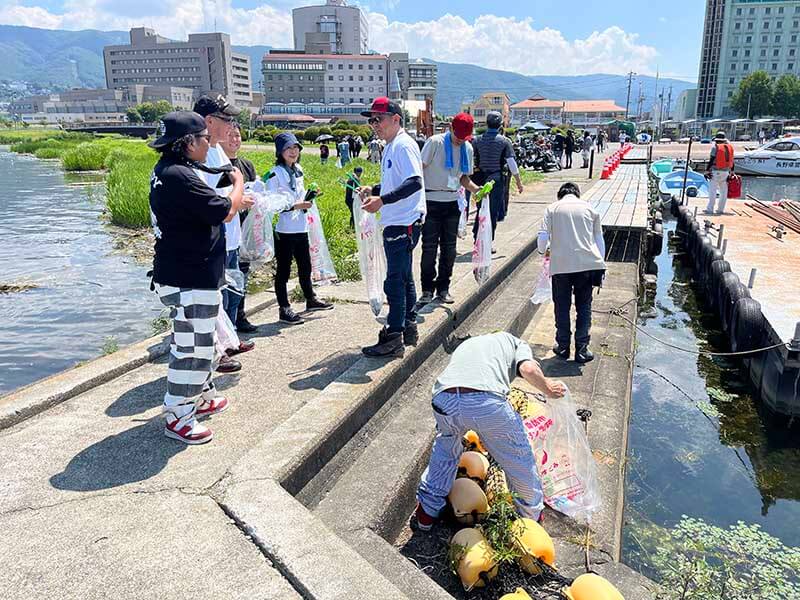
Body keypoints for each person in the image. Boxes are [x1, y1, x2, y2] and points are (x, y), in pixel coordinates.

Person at [148, 111, 254, 444]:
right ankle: (178, 414)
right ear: (189, 142)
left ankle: (201, 395)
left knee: (205, 342)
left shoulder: (169, 171)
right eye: (206, 139)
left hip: (188, 273)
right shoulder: (179, 175)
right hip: (188, 276)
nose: (210, 144)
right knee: (192, 348)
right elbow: (225, 210)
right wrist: (237, 183)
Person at [414, 332, 567, 529]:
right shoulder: (514, 342)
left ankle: (427, 512)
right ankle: (531, 517)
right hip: (485, 401)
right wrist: (548, 389)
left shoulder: (470, 344)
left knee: (446, 451)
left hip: (444, 399)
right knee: (518, 457)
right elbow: (528, 369)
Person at [357, 97, 426, 357]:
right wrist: (374, 190)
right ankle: (408, 325)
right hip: (398, 220)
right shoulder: (391, 146)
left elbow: (414, 183)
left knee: (394, 281)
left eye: (379, 119)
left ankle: (394, 334)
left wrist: (382, 200)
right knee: (405, 276)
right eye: (371, 120)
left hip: (403, 221)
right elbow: (396, 181)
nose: (374, 124)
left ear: (396, 119)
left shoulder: (403, 146)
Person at [192, 95, 252, 371]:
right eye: (227, 120)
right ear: (209, 121)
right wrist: (239, 191)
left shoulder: (215, 150)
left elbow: (225, 196)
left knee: (228, 290)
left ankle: (227, 343)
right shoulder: (199, 155)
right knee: (213, 298)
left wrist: (239, 195)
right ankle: (217, 352)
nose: (231, 127)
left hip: (226, 237)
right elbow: (220, 206)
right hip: (208, 241)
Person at [266, 132, 334, 325]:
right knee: (284, 271)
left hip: (301, 227)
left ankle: (310, 299)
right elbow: (270, 202)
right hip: (285, 230)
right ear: (280, 151)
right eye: (288, 148)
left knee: (306, 267)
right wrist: (295, 206)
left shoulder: (299, 170)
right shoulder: (275, 173)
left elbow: (300, 194)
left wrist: (310, 196)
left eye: (296, 147)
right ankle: (284, 308)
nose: (293, 151)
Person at [539, 182, 606, 364]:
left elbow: (542, 237)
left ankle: (562, 346)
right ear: (577, 194)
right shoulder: (590, 209)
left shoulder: (552, 209)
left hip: (561, 265)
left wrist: (542, 251)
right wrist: (601, 265)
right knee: (584, 306)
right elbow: (599, 239)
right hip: (587, 264)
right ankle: (582, 349)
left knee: (562, 306)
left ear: (559, 195)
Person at [418, 113, 480, 306]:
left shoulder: (467, 148)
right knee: (429, 248)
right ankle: (427, 289)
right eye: (457, 136)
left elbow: (463, 178)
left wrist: (476, 190)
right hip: (431, 201)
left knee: (449, 249)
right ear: (451, 128)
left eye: (464, 137)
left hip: (452, 202)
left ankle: (444, 288)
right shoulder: (434, 143)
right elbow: (420, 168)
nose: (460, 140)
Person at [219, 122, 259, 334]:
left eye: (238, 136)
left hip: (245, 225)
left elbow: (254, 188)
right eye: (231, 136)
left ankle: (239, 316)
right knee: (227, 280)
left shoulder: (246, 165)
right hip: (226, 230)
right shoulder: (217, 164)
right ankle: (228, 328)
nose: (235, 140)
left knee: (241, 274)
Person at [471, 111, 523, 242]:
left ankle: (476, 236)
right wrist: (518, 182)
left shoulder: (477, 140)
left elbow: (472, 160)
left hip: (480, 178)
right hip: (496, 179)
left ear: (486, 124)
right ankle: (488, 240)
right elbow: (511, 163)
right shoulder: (505, 142)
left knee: (480, 208)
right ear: (501, 125)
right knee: (492, 211)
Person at [705, 131, 735, 215]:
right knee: (723, 192)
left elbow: (711, 160)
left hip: (715, 171)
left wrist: (707, 170)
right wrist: (732, 171)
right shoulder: (729, 148)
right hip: (725, 172)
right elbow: (732, 161)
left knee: (712, 191)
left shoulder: (715, 148)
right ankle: (720, 209)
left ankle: (710, 209)